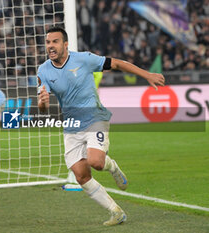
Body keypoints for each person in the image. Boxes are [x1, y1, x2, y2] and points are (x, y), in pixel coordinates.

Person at [37, 27, 165, 226]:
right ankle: (116, 212)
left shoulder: (84, 59)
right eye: (47, 42)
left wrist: (146, 74)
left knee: (96, 161)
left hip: (95, 116)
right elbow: (42, 108)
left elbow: (117, 63)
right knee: (81, 175)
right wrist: (43, 102)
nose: (50, 46)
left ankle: (111, 166)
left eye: (54, 41)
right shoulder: (43, 70)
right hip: (71, 125)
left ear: (65, 44)